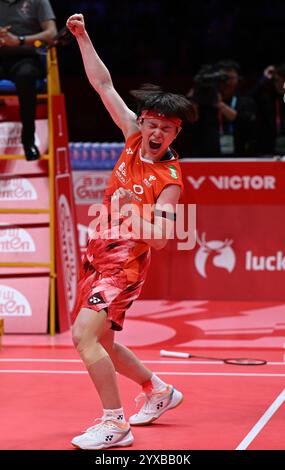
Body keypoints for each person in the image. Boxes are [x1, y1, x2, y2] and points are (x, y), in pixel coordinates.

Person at [66, 13, 196, 450]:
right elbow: (103, 85)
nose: (156, 132)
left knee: (83, 338)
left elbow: (160, 237)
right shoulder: (129, 136)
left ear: (176, 132)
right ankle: (158, 390)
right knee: (103, 341)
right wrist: (82, 37)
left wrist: (130, 211)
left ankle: (114, 423)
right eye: (151, 124)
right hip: (98, 250)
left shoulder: (171, 180)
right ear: (142, 122)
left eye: (167, 128)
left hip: (124, 265)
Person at [0, 0, 57, 161]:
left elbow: (52, 33)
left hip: (26, 57)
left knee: (26, 76)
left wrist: (20, 40)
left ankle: (28, 142)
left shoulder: (38, 2)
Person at [176, 60, 256, 157]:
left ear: (238, 79)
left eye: (229, 78)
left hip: (239, 158)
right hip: (207, 159)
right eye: (222, 79)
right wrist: (195, 92)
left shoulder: (245, 102)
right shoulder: (203, 102)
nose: (226, 83)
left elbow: (246, 124)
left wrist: (219, 104)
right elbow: (187, 123)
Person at [251, 64, 285, 156]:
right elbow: (250, 100)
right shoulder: (268, 99)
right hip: (269, 151)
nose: (281, 85)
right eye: (277, 81)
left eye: (284, 81)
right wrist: (264, 78)